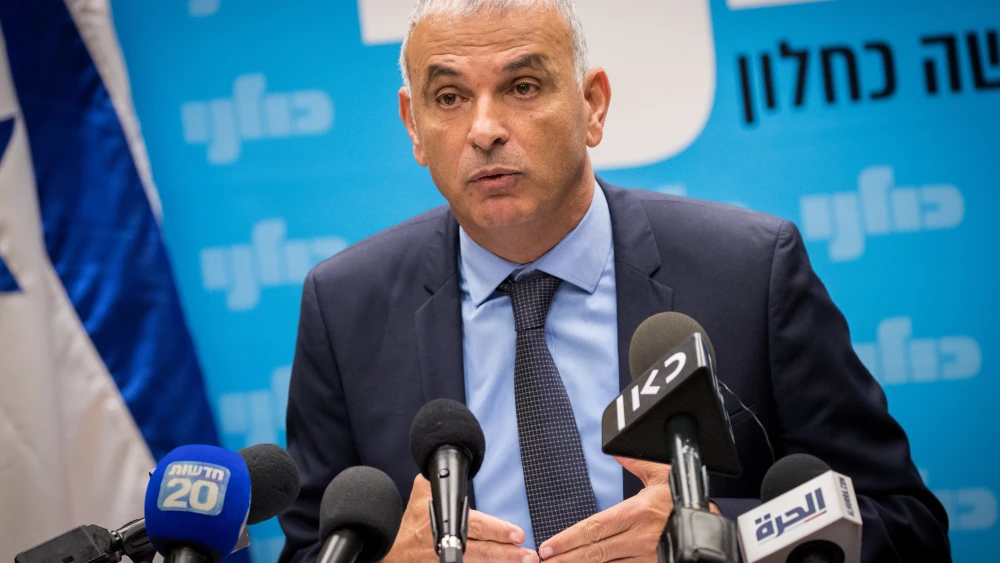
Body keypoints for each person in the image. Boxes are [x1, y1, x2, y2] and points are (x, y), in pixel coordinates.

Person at [277, 1, 951, 562]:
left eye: (522, 86)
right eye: (449, 97)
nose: (484, 130)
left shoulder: (752, 269)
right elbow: (312, 547)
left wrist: (719, 539)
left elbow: (907, 525)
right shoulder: (344, 307)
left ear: (593, 104)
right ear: (414, 127)